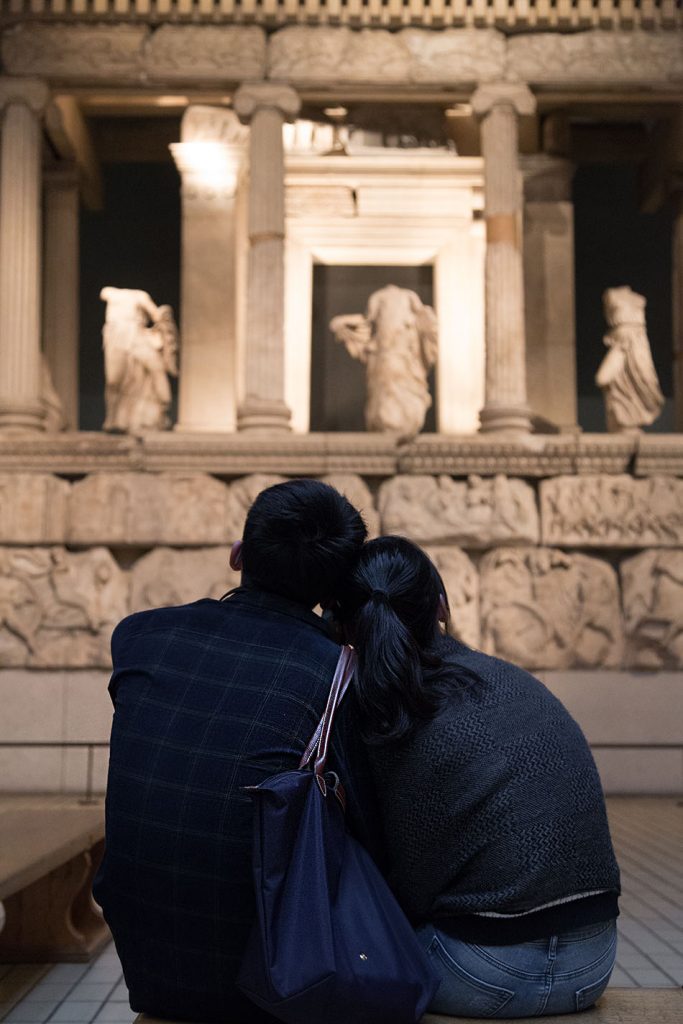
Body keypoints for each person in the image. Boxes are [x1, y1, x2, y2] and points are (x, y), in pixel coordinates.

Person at [93, 480, 379, 1024]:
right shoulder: (336, 670)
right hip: (270, 970)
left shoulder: (140, 637)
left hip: (147, 955)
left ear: (238, 555)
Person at [335, 535, 620, 1020]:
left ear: (347, 625)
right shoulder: (512, 681)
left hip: (479, 974)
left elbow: (406, 888)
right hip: (593, 964)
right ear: (441, 607)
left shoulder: (385, 714)